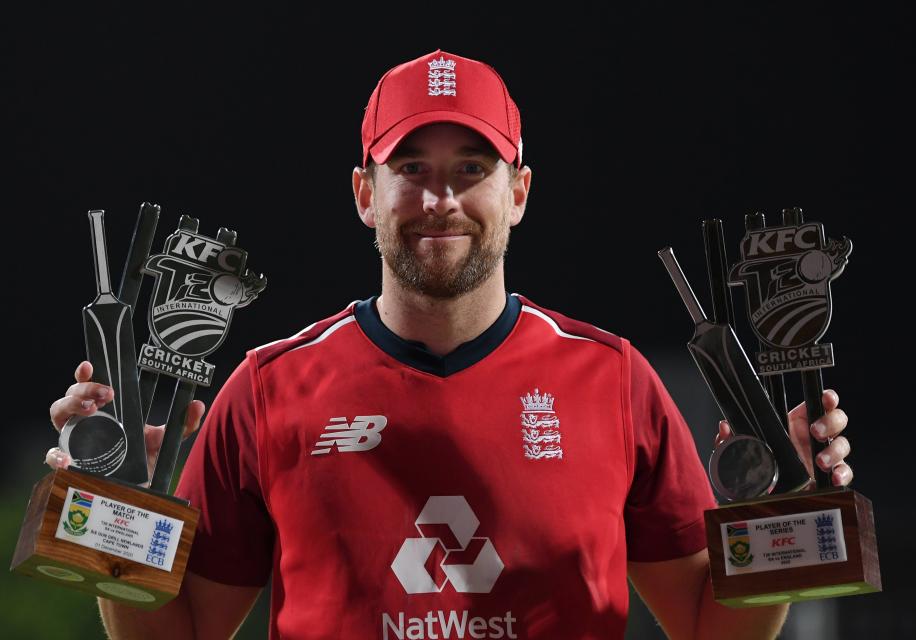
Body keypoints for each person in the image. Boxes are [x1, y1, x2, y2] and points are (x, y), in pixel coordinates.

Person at [46, 49, 853, 640]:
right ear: (366, 194)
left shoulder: (611, 379)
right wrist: (103, 508)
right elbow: (175, 635)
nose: (441, 198)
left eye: (472, 166)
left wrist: (781, 511)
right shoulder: (268, 388)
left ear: (519, 192)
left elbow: (712, 628)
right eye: (409, 167)